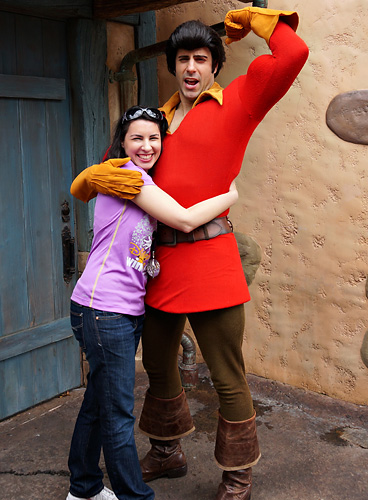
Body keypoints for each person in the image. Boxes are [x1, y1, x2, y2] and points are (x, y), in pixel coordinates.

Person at [70, 6, 309, 500]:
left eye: (201, 58)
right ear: (174, 65)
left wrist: (261, 21)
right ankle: (166, 452)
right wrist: (96, 175)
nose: (192, 68)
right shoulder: (157, 119)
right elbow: (129, 165)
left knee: (226, 375)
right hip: (158, 267)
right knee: (158, 366)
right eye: (183, 59)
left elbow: (293, 54)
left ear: (216, 64)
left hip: (212, 259)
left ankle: (238, 475)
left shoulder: (241, 98)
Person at [66, 106, 238, 500]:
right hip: (103, 309)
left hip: (115, 310)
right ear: (122, 143)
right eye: (136, 138)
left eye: (154, 138)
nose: (146, 146)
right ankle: (134, 496)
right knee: (117, 414)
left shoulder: (144, 178)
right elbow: (182, 219)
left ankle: (84, 489)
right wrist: (230, 195)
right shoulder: (127, 176)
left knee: (98, 402)